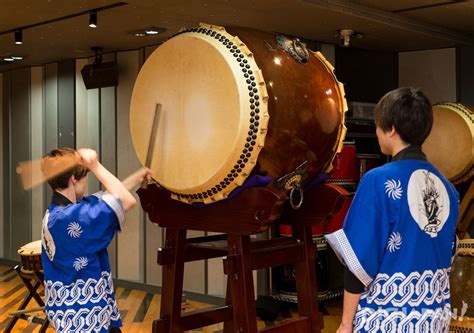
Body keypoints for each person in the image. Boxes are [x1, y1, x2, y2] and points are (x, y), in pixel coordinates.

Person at [326, 87, 459, 332]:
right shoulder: (448, 188)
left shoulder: (378, 181)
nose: (376, 132)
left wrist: (345, 324)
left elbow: (359, 260)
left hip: (389, 319)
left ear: (391, 129)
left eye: (378, 125)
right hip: (435, 317)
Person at [40, 147, 151, 332]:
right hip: (83, 314)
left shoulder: (60, 213)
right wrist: (95, 165)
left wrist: (138, 177)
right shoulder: (72, 218)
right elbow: (126, 201)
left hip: (71, 308)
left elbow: (112, 196)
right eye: (85, 177)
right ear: (74, 179)